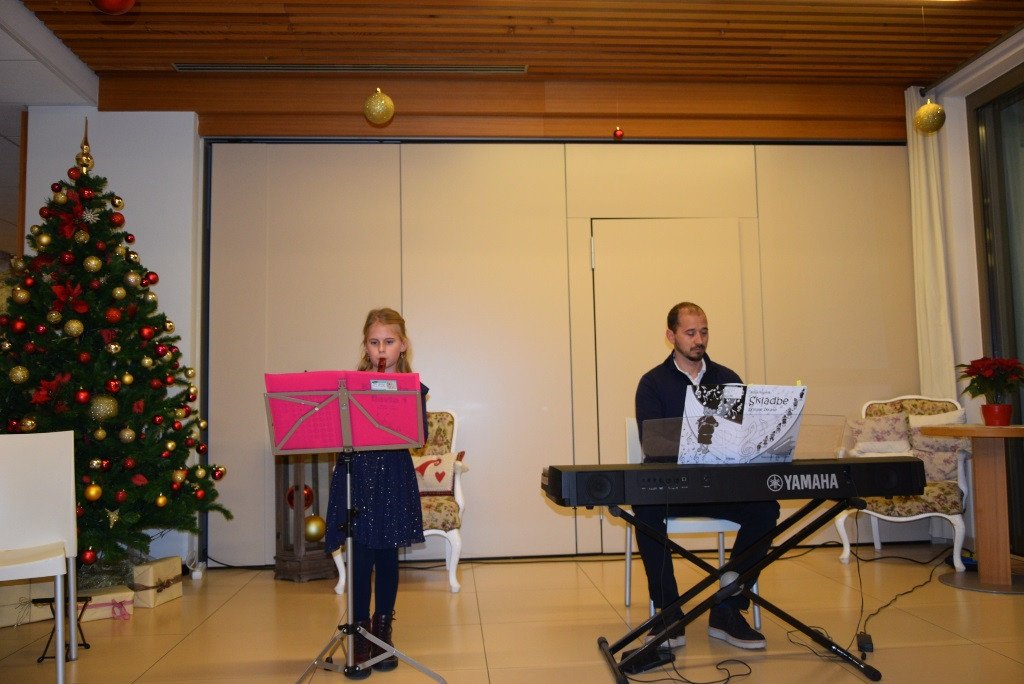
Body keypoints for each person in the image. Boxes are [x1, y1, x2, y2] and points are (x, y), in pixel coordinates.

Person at [633, 301, 779, 651]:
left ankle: (728, 608)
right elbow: (654, 443)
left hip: (720, 485)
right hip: (673, 486)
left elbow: (743, 437)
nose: (699, 339)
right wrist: (703, 436)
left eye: (704, 331)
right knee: (645, 509)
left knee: (765, 510)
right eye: (690, 333)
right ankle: (669, 614)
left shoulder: (728, 379)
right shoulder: (652, 383)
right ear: (671, 336)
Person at [325, 307, 427, 679]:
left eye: (389, 341)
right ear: (365, 347)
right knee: (361, 553)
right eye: (374, 342)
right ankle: (360, 636)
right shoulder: (349, 386)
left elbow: (420, 437)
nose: (381, 349)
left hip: (393, 478)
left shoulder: (413, 386)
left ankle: (383, 635)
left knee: (387, 557)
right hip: (358, 476)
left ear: (402, 346)